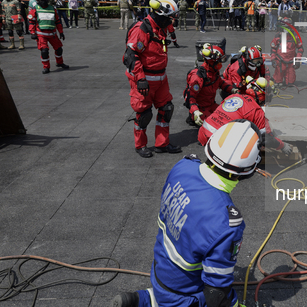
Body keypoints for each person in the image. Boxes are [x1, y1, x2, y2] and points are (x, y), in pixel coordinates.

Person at [110, 121, 260, 307]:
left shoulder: (183, 166)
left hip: (160, 270)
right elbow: (216, 293)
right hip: (183, 292)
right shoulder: (226, 222)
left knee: (168, 293)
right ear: (246, 171)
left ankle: (143, 300)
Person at [123, 0, 182, 158]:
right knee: (144, 114)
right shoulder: (142, 28)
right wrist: (140, 79)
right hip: (145, 80)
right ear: (160, 14)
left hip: (161, 78)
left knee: (166, 108)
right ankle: (140, 145)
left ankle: (162, 144)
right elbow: (130, 55)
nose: (172, 21)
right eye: (170, 17)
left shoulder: (160, 27)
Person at [198, 77, 293, 154]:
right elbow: (266, 139)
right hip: (218, 143)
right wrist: (282, 145)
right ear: (263, 97)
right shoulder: (257, 111)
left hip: (202, 133)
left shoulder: (233, 96)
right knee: (251, 144)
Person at [184, 44, 238, 126]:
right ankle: (193, 117)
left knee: (229, 117)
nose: (220, 64)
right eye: (219, 62)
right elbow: (191, 97)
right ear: (212, 61)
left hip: (211, 105)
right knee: (216, 124)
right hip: (201, 109)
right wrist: (195, 111)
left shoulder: (214, 72)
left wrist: (232, 90)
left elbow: (221, 83)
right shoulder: (198, 76)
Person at [28, 0, 69, 74]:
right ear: (38, 0)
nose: (43, 1)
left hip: (52, 34)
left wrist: (61, 32)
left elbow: (57, 21)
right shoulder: (35, 9)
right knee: (44, 51)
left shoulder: (52, 9)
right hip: (41, 34)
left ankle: (59, 62)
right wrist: (32, 33)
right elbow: (31, 22)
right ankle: (46, 67)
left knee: (59, 49)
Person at [270, 17, 304, 87]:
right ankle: (278, 79)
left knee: (290, 83)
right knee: (277, 83)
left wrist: (297, 60)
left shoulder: (295, 36)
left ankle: (288, 79)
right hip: (280, 61)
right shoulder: (278, 36)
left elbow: (300, 48)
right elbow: (273, 49)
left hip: (291, 61)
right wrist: (273, 59)